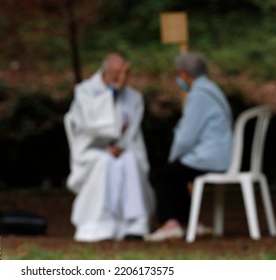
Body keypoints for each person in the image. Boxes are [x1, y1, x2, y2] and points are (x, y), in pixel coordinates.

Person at [64, 53, 155, 242]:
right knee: (105, 162)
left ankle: (133, 224)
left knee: (129, 160)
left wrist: (119, 146)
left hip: (122, 148)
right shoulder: (85, 91)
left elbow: (132, 132)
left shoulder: (134, 97)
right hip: (90, 149)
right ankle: (98, 225)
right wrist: (112, 92)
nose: (121, 80)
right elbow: (90, 124)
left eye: (123, 75)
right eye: (116, 75)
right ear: (106, 73)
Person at [144, 52, 233, 242]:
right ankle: (187, 222)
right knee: (174, 173)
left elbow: (186, 138)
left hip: (210, 157)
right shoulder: (212, 89)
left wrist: (173, 158)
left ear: (185, 74)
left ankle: (170, 224)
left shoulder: (198, 95)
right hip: (219, 154)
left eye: (179, 73)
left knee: (162, 174)